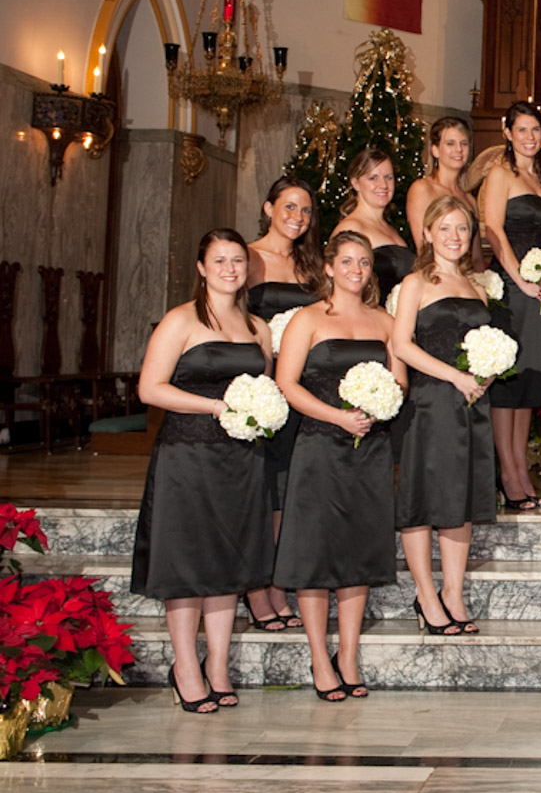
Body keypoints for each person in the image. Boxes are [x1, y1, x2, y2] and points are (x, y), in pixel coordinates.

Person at [131, 228, 274, 713]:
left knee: (227, 561)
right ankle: (185, 667)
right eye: (220, 261)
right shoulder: (181, 321)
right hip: (187, 456)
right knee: (188, 561)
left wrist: (257, 413)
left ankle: (217, 664)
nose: (231, 269)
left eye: (238, 260)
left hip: (241, 459)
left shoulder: (259, 328)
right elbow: (150, 389)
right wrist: (215, 407)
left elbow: (266, 391)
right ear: (201, 268)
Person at [273, 231, 403, 700]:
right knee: (316, 552)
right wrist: (336, 416)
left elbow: (399, 380)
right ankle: (317, 655)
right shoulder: (306, 320)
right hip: (319, 445)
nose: (356, 270)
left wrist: (381, 403)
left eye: (364, 263)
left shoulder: (384, 322)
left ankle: (347, 654)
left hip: (369, 447)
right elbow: (286, 383)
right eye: (347, 261)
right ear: (328, 267)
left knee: (357, 550)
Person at [390, 195, 497, 635]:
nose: (455, 237)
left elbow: (486, 345)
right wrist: (454, 377)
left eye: (463, 229)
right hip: (432, 400)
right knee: (422, 499)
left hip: (471, 403)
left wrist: (487, 373)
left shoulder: (479, 286)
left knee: (462, 499)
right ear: (428, 233)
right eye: (446, 228)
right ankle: (426, 595)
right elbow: (401, 345)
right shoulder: (417, 282)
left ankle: (453, 591)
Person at [244, 176, 322, 631]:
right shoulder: (249, 257)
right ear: (269, 207)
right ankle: (257, 588)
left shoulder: (310, 265)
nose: (297, 218)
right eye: (289, 207)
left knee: (285, 489)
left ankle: (277, 582)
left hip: (299, 385)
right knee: (260, 488)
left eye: (306, 211)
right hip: (260, 383)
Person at [479, 100, 541, 510]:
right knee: (508, 381)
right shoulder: (499, 175)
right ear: (508, 133)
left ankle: (521, 470)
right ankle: (508, 476)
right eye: (522, 130)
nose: (530, 137)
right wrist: (522, 281)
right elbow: (494, 231)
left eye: (535, 130)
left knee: (530, 380)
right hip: (511, 290)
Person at [331, 147, 414, 302]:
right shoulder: (351, 228)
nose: (383, 185)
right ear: (355, 183)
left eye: (388, 177)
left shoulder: (390, 229)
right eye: (373, 178)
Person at [406, 117, 481, 265]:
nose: (458, 149)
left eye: (463, 143)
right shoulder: (422, 189)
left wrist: (481, 283)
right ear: (435, 150)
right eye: (450, 143)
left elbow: (476, 257)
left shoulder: (470, 200)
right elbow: (424, 249)